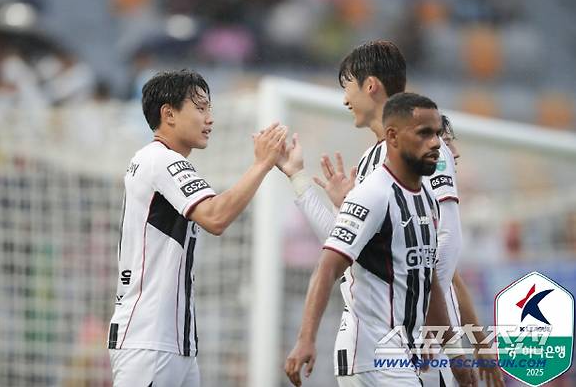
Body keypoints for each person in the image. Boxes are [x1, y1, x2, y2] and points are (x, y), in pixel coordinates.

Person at [278, 40, 503, 386]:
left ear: (370, 85)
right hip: (385, 341)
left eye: (346, 86)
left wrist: (453, 338)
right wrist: (303, 182)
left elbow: (441, 251)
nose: (344, 99)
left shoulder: (425, 154)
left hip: (415, 339)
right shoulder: (374, 165)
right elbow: (345, 252)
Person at [107, 70, 286, 387]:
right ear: (169, 114)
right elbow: (216, 217)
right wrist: (262, 164)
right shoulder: (160, 159)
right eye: (200, 108)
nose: (210, 119)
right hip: (150, 342)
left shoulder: (157, 160)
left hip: (174, 343)